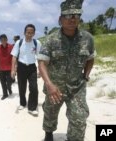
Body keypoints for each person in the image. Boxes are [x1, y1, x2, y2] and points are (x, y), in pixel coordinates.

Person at [37, 0, 96, 141]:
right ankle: (48, 135)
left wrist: (86, 76)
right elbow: (42, 63)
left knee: (79, 118)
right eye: (68, 16)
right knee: (50, 114)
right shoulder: (51, 40)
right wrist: (49, 84)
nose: (73, 19)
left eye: (76, 15)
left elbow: (91, 58)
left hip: (77, 88)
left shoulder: (87, 39)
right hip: (55, 87)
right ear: (60, 19)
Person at [11, 24, 41, 116]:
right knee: (22, 87)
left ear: (34, 33)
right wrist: (13, 69)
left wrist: (40, 69)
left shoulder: (37, 43)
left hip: (32, 67)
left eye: (32, 33)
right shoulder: (19, 43)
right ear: (24, 33)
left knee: (34, 88)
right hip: (21, 67)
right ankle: (23, 103)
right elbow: (14, 57)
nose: (29, 34)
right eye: (28, 32)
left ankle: (32, 108)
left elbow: (40, 57)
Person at [0, 34, 13, 100]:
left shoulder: (11, 47)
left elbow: (14, 57)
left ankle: (9, 88)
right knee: (2, 82)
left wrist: (15, 68)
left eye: (4, 40)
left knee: (9, 82)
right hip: (1, 68)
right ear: (0, 41)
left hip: (9, 68)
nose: (3, 41)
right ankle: (5, 94)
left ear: (7, 39)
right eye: (2, 40)